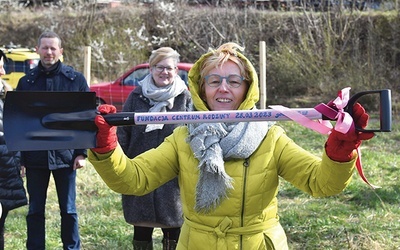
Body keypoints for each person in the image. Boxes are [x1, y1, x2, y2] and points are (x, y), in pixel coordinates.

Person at [88, 42, 375, 249]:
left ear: (247, 88)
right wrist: (104, 147)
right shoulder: (183, 137)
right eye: (214, 80)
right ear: (201, 89)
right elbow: (133, 180)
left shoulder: (270, 137)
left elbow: (321, 184)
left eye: (234, 81)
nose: (223, 88)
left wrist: (339, 152)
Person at [16, 31, 89, 250]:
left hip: (66, 156)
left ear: (61, 51)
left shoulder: (75, 80)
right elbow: (20, 122)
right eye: (45, 48)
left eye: (53, 48)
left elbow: (85, 117)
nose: (49, 52)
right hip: (34, 157)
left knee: (68, 209)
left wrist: (81, 152)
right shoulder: (26, 82)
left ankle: (72, 248)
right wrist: (20, 158)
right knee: (35, 209)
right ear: (37, 49)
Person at [117, 47, 191, 249]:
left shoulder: (185, 98)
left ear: (176, 70)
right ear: (151, 68)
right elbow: (123, 132)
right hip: (140, 169)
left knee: (174, 229)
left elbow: (194, 132)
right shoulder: (137, 96)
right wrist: (123, 164)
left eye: (169, 68)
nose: (164, 72)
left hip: (174, 176)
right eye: (159, 67)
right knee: (141, 229)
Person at [0, 49, 28, 250]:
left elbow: (15, 133)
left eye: (2, 66)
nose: (2, 71)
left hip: (5, 169)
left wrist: (20, 161)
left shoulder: (6, 95)